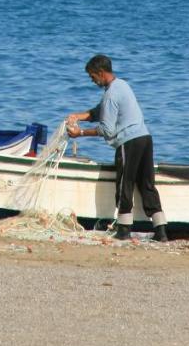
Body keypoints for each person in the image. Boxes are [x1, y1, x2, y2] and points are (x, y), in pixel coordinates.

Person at [65, 54, 168, 241]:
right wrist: (79, 115)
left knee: (124, 184)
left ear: (101, 73)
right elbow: (101, 111)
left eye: (92, 76)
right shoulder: (122, 85)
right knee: (147, 185)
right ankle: (160, 229)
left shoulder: (110, 95)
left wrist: (79, 133)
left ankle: (123, 230)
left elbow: (106, 129)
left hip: (128, 142)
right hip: (145, 138)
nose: (92, 80)